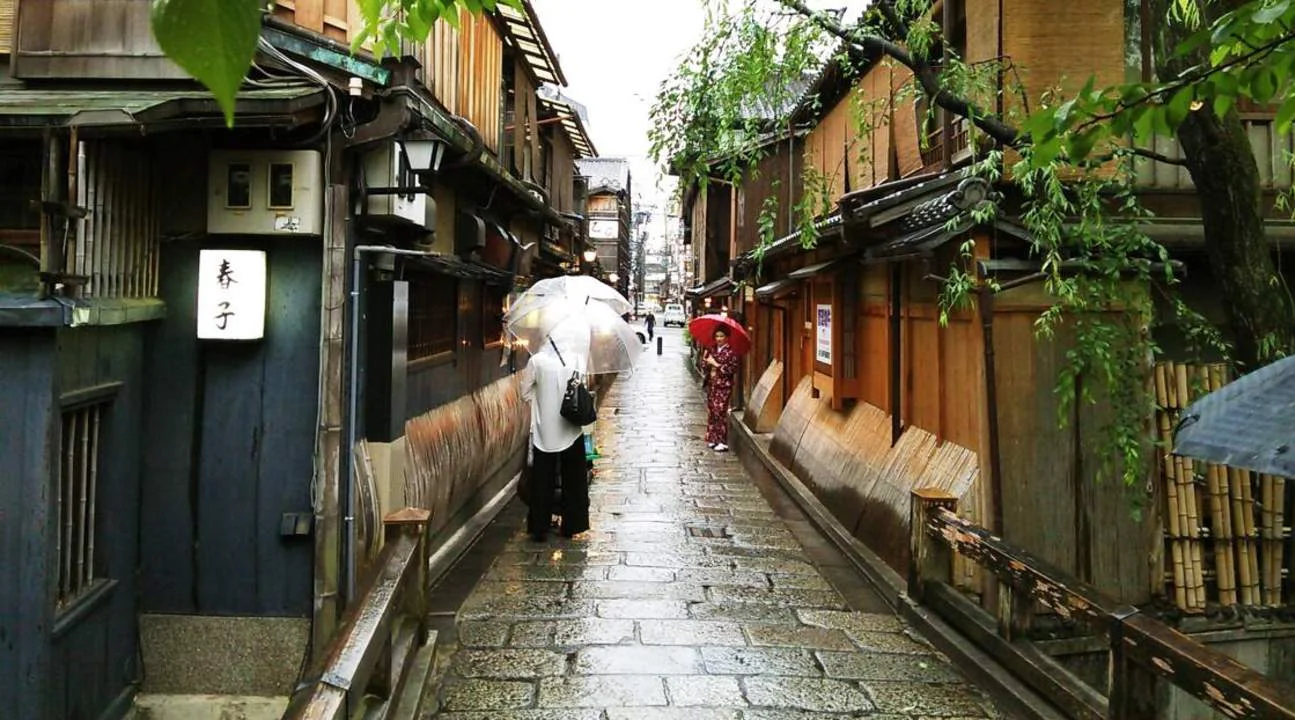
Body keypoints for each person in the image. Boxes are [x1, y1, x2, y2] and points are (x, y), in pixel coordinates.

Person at [519, 326, 591, 541]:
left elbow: (525, 393)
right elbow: (582, 387)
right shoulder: (578, 359)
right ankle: (571, 526)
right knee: (574, 479)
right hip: (570, 428)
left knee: (542, 479)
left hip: (544, 431)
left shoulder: (537, 361)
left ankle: (539, 528)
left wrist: (540, 397)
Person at [703, 327, 739, 452]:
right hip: (712, 384)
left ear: (727, 337)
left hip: (723, 385)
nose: (719, 339)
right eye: (717, 336)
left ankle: (722, 441)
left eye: (721, 336)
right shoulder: (712, 349)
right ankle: (713, 438)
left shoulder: (731, 352)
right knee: (712, 411)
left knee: (720, 411)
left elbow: (731, 369)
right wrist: (706, 361)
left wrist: (716, 364)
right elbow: (705, 366)